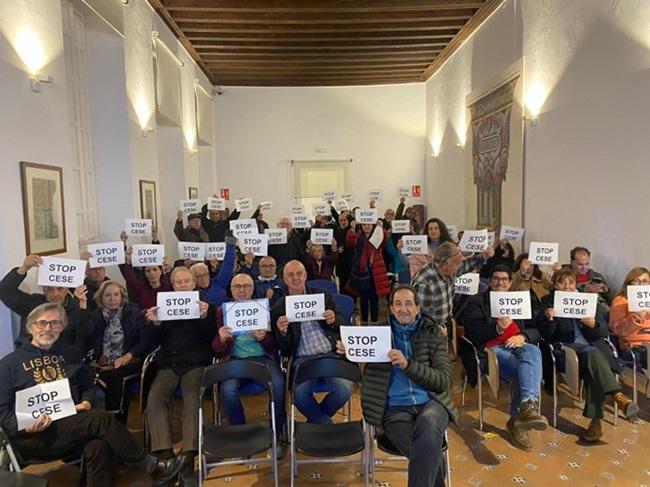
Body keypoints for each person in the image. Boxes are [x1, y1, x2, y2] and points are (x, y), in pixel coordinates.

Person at [0, 303, 183, 487]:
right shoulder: (9, 364)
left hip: (71, 424)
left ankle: (155, 471)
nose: (48, 328)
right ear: (30, 327)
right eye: (42, 323)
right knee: (101, 420)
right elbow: (3, 413)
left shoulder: (70, 355)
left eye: (55, 323)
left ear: (62, 327)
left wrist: (87, 401)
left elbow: (87, 384)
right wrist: (29, 427)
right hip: (34, 437)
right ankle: (152, 466)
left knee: (98, 446)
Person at [352, 285, 457, 487]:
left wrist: (408, 365)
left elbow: (443, 380)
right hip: (394, 409)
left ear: (418, 308)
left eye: (408, 303)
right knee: (429, 453)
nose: (403, 309)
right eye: (398, 304)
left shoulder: (432, 333)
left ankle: (436, 460)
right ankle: (437, 461)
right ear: (391, 308)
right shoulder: (376, 335)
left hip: (431, 402)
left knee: (428, 423)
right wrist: (346, 351)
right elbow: (355, 359)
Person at [538, 268, 638, 442]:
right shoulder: (547, 302)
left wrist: (593, 324)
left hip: (592, 350)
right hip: (567, 350)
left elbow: (602, 332)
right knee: (595, 358)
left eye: (570, 282)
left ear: (576, 284)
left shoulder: (587, 300)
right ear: (555, 285)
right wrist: (550, 319)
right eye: (562, 282)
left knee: (594, 364)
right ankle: (616, 395)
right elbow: (546, 336)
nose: (567, 286)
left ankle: (596, 423)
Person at [462, 266, 548, 451]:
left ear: (510, 283)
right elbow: (473, 331)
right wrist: (497, 329)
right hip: (493, 349)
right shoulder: (477, 301)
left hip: (518, 345)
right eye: (496, 279)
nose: (500, 282)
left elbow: (536, 328)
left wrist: (523, 336)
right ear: (490, 281)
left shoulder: (520, 300)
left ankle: (527, 406)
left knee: (533, 350)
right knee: (525, 369)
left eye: (504, 279)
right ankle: (519, 420)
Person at [144, 267, 216, 486]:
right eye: (179, 282)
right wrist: (154, 323)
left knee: (192, 398)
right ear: (173, 285)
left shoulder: (206, 306)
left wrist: (204, 318)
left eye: (187, 281)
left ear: (194, 283)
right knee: (155, 397)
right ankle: (165, 456)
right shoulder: (162, 306)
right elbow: (150, 342)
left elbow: (211, 338)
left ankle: (187, 457)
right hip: (169, 363)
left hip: (195, 362)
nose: (183, 285)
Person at [211, 273, 286, 455]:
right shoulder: (222, 310)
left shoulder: (262, 308)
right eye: (238, 286)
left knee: (278, 385)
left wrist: (265, 337)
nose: (242, 290)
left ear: (253, 289)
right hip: (234, 360)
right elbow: (216, 349)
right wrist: (221, 338)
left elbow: (274, 344)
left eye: (247, 286)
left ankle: (276, 433)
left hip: (262, 359)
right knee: (227, 390)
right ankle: (241, 435)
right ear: (231, 289)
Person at [271, 260, 351, 424]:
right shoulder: (279, 306)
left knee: (344, 390)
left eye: (299, 273)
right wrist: (282, 332)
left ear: (306, 276)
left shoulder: (322, 295)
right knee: (300, 395)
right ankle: (325, 426)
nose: (295, 278)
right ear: (284, 280)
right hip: (303, 359)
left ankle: (317, 423)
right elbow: (282, 347)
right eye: (290, 275)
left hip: (330, 354)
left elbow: (343, 322)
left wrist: (334, 318)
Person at [89, 280, 153, 424]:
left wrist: (128, 355)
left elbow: (145, 341)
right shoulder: (96, 316)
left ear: (122, 296)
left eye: (116, 295)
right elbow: (92, 341)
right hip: (104, 364)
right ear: (101, 298)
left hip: (131, 360)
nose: (112, 299)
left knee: (116, 377)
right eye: (108, 296)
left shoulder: (134, 313)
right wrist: (98, 355)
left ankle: (116, 422)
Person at [0, 254, 93, 353]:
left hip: (63, 360)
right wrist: (24, 268)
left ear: (67, 288)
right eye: (49, 289)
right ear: (43, 289)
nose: (55, 294)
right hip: (30, 357)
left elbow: (84, 336)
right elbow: (4, 291)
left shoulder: (77, 306)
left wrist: (82, 307)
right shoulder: (32, 303)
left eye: (60, 288)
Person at [411, 241, 494, 336]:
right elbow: (421, 316)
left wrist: (483, 256)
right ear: (444, 264)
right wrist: (436, 330)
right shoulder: (424, 283)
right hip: (429, 333)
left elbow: (465, 265)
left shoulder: (448, 269)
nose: (459, 267)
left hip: (445, 324)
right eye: (456, 264)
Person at [346, 222, 390, 323]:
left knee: (374, 300)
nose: (366, 226)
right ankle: (364, 322)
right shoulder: (358, 236)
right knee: (363, 300)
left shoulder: (378, 235)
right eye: (364, 224)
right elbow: (350, 242)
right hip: (362, 273)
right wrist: (352, 229)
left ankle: (374, 323)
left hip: (375, 272)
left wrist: (381, 227)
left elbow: (384, 240)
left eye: (369, 224)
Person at [609, 267, 650, 354]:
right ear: (629, 283)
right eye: (636, 281)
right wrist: (635, 318)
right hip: (636, 345)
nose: (640, 284)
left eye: (645, 281)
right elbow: (617, 330)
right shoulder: (620, 301)